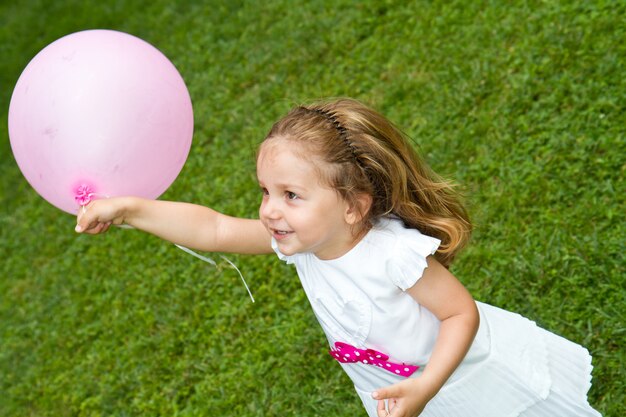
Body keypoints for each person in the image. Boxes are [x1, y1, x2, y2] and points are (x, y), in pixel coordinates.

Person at [75, 98, 601, 417]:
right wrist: (131, 209)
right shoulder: (302, 244)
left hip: (461, 375)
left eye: (291, 195)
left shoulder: (391, 254)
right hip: (401, 387)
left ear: (353, 206)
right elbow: (212, 227)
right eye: (265, 191)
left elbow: (460, 314)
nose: (270, 211)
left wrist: (426, 385)